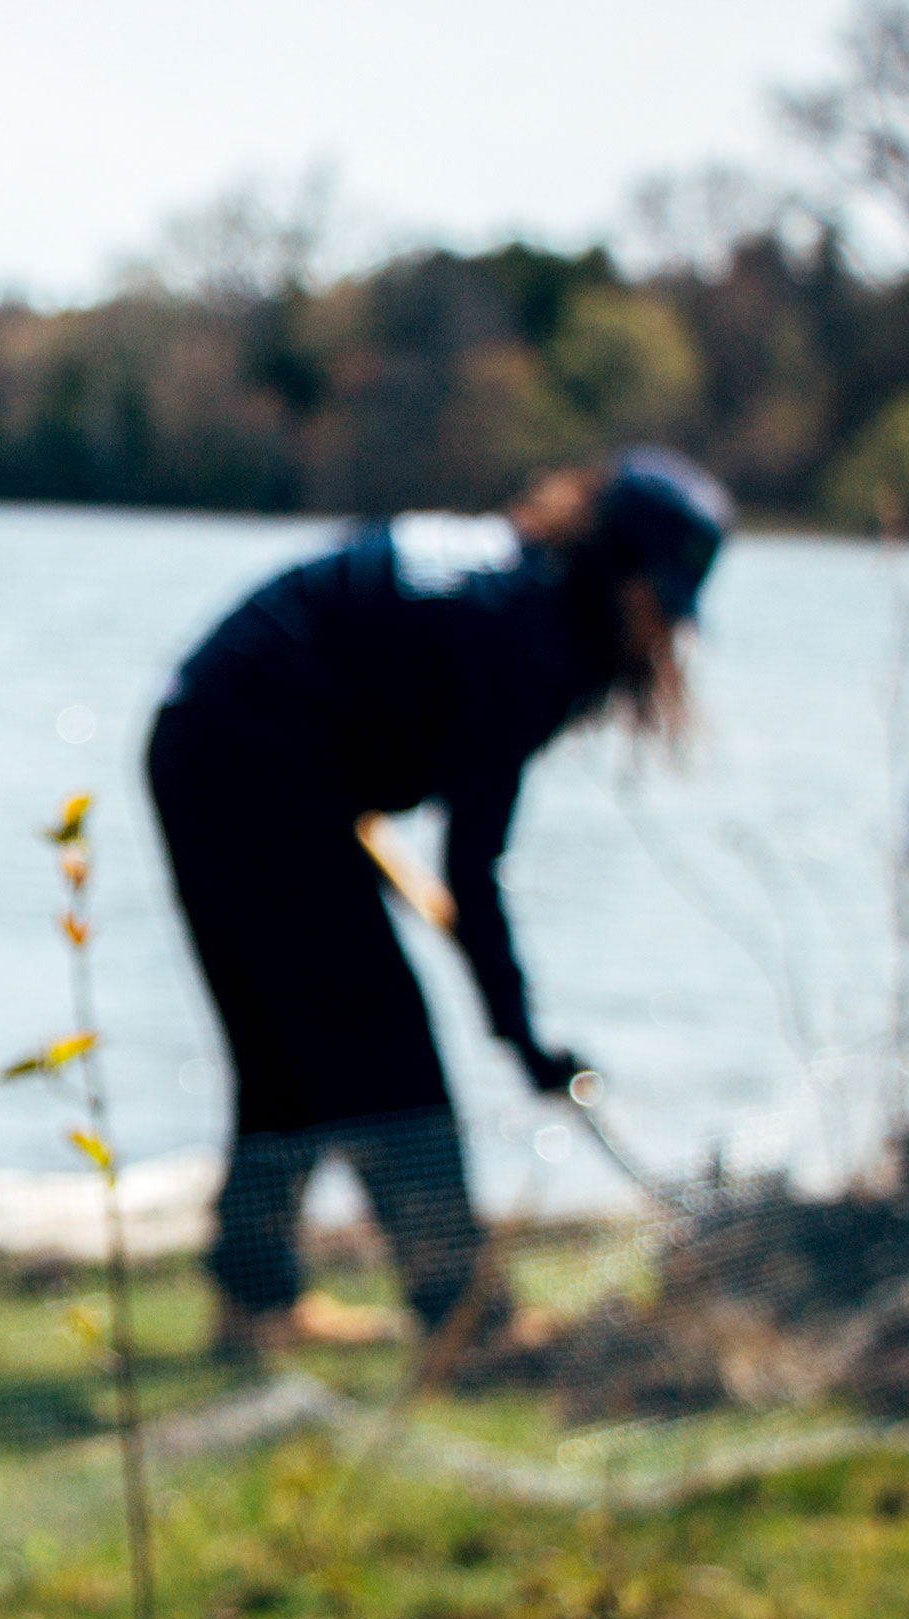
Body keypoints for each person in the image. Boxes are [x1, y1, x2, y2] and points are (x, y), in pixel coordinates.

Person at [146, 448, 730, 1359]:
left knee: (288, 1055)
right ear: (615, 569)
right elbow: (474, 867)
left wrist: (513, 1024)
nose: (663, 638)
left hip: (221, 750)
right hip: (251, 759)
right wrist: (519, 1031)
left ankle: (253, 1306)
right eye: (658, 605)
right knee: (383, 1047)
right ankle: (467, 1325)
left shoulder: (522, 585)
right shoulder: (531, 634)